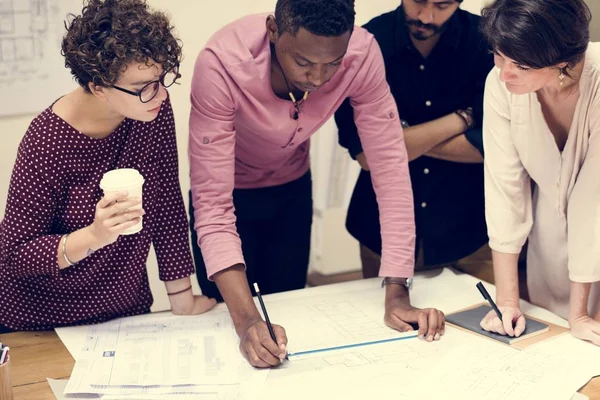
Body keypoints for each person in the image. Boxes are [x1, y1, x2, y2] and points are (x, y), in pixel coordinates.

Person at [189, 0, 445, 368]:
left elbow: (389, 169)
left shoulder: (361, 52)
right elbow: (212, 207)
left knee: (290, 308)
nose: (318, 78)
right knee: (230, 333)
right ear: (273, 31)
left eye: (333, 64)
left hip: (292, 189)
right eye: (304, 62)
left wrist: (397, 289)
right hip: (229, 195)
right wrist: (246, 322)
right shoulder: (221, 64)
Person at [0, 0, 216, 333]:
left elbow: (167, 200)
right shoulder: (46, 141)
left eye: (161, 79)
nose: (158, 95)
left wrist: (182, 296)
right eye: (141, 88)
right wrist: (94, 236)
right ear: (98, 87)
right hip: (40, 320)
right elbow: (16, 255)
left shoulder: (150, 110)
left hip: (124, 311)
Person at [335, 0, 494, 278]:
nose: (426, 16)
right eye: (419, 1)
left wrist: (399, 139)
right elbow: (367, 155)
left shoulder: (486, 42)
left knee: (482, 317)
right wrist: (461, 120)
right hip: (380, 231)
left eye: (442, 5)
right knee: (379, 320)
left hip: (468, 229)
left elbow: (491, 147)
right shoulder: (367, 43)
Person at [479, 0, 600, 346]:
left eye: (519, 64)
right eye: (499, 56)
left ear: (562, 60)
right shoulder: (500, 85)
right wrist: (506, 301)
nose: (504, 73)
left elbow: (592, 197)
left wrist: (580, 314)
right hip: (548, 243)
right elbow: (504, 188)